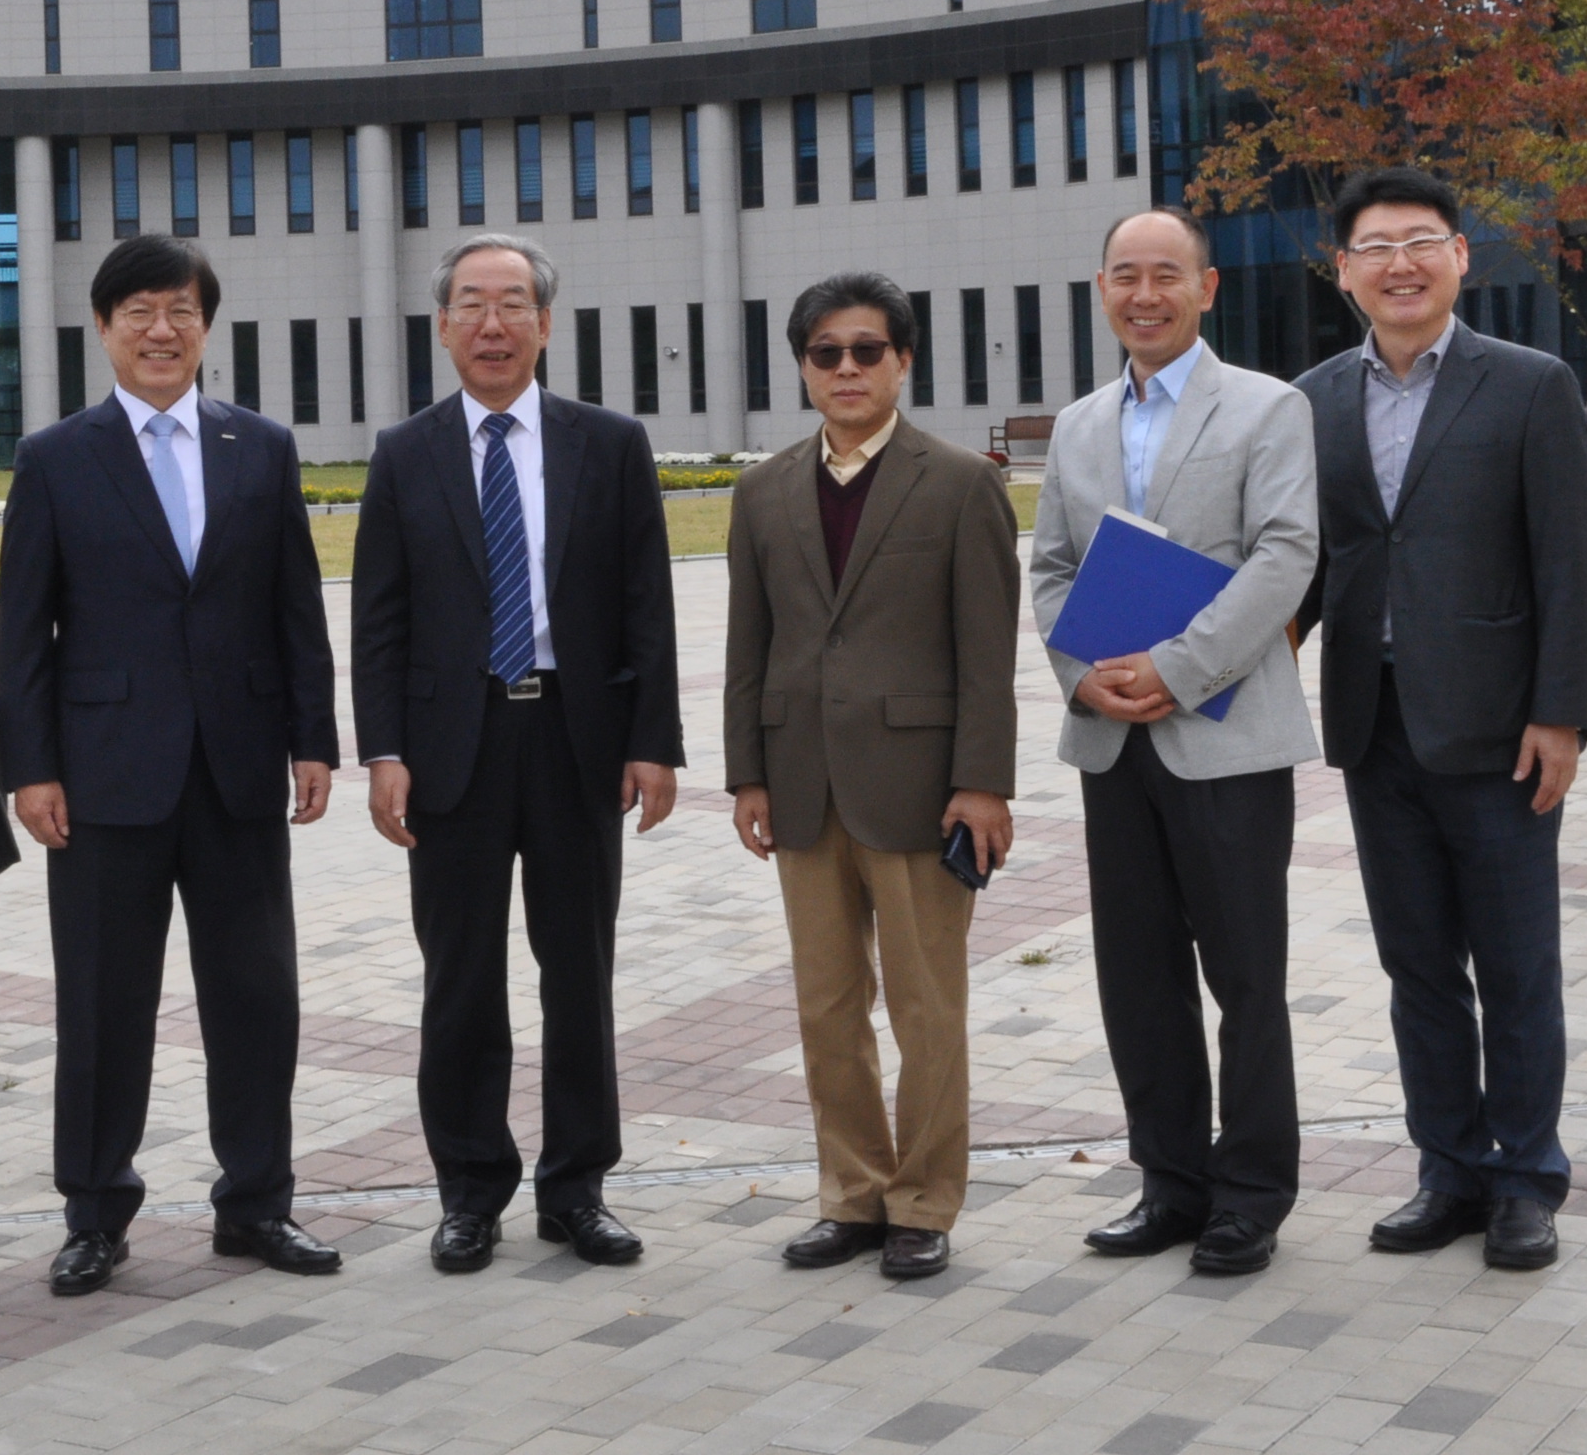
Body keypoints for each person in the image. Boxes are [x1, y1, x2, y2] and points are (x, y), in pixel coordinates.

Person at [0, 234, 343, 1296]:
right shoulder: (57, 457)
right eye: (138, 312)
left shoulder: (260, 448)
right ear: (102, 328)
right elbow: (27, 629)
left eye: (180, 311)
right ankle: (96, 1212)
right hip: (104, 776)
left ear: (205, 325)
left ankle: (257, 1205)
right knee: (104, 1004)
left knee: (256, 994)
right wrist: (30, 766)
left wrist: (313, 738)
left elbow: (294, 607)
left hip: (238, 768)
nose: (161, 330)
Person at [350, 235, 683, 1274]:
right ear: (443, 324)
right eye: (470, 305)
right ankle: (469, 1190)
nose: (492, 324)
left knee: (578, 974)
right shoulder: (406, 452)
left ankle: (577, 1188)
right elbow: (379, 618)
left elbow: (646, 604)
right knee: (460, 979)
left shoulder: (608, 443)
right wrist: (385, 748)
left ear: (544, 321)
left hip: (576, 740)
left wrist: (653, 743)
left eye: (512, 304)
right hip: (454, 746)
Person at [1296, 168, 1587, 1274]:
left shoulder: (1529, 386)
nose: (1400, 263)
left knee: (1518, 969)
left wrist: (1561, 716)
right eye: (1375, 247)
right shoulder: (1314, 398)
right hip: (1375, 730)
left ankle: (1527, 1179)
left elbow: (1570, 563)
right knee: (1418, 967)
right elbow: (1307, 563)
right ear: (1346, 273)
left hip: (1499, 733)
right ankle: (1449, 1169)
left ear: (1461, 256)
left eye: (1421, 241)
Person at [1028, 207, 1321, 1278]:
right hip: (1115, 741)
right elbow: (1051, 567)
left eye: (1166, 275)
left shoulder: (1269, 408)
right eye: (1124, 276)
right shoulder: (1077, 424)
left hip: (1227, 736)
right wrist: (1085, 678)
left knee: (1246, 978)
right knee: (1137, 974)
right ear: (1102, 290)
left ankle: (1251, 1193)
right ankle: (1169, 1180)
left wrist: (1180, 669)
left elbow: (1287, 555)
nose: (1143, 295)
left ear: (1206, 289)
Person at [721, 272, 1018, 1283]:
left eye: (866, 351)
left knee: (927, 1007)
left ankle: (924, 1201)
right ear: (803, 367)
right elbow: (747, 647)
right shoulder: (762, 492)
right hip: (801, 787)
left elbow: (987, 656)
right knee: (826, 1007)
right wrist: (746, 774)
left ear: (903, 360)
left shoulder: (960, 484)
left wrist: (982, 783)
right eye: (825, 354)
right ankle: (850, 1195)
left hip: (922, 785)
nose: (846, 369)